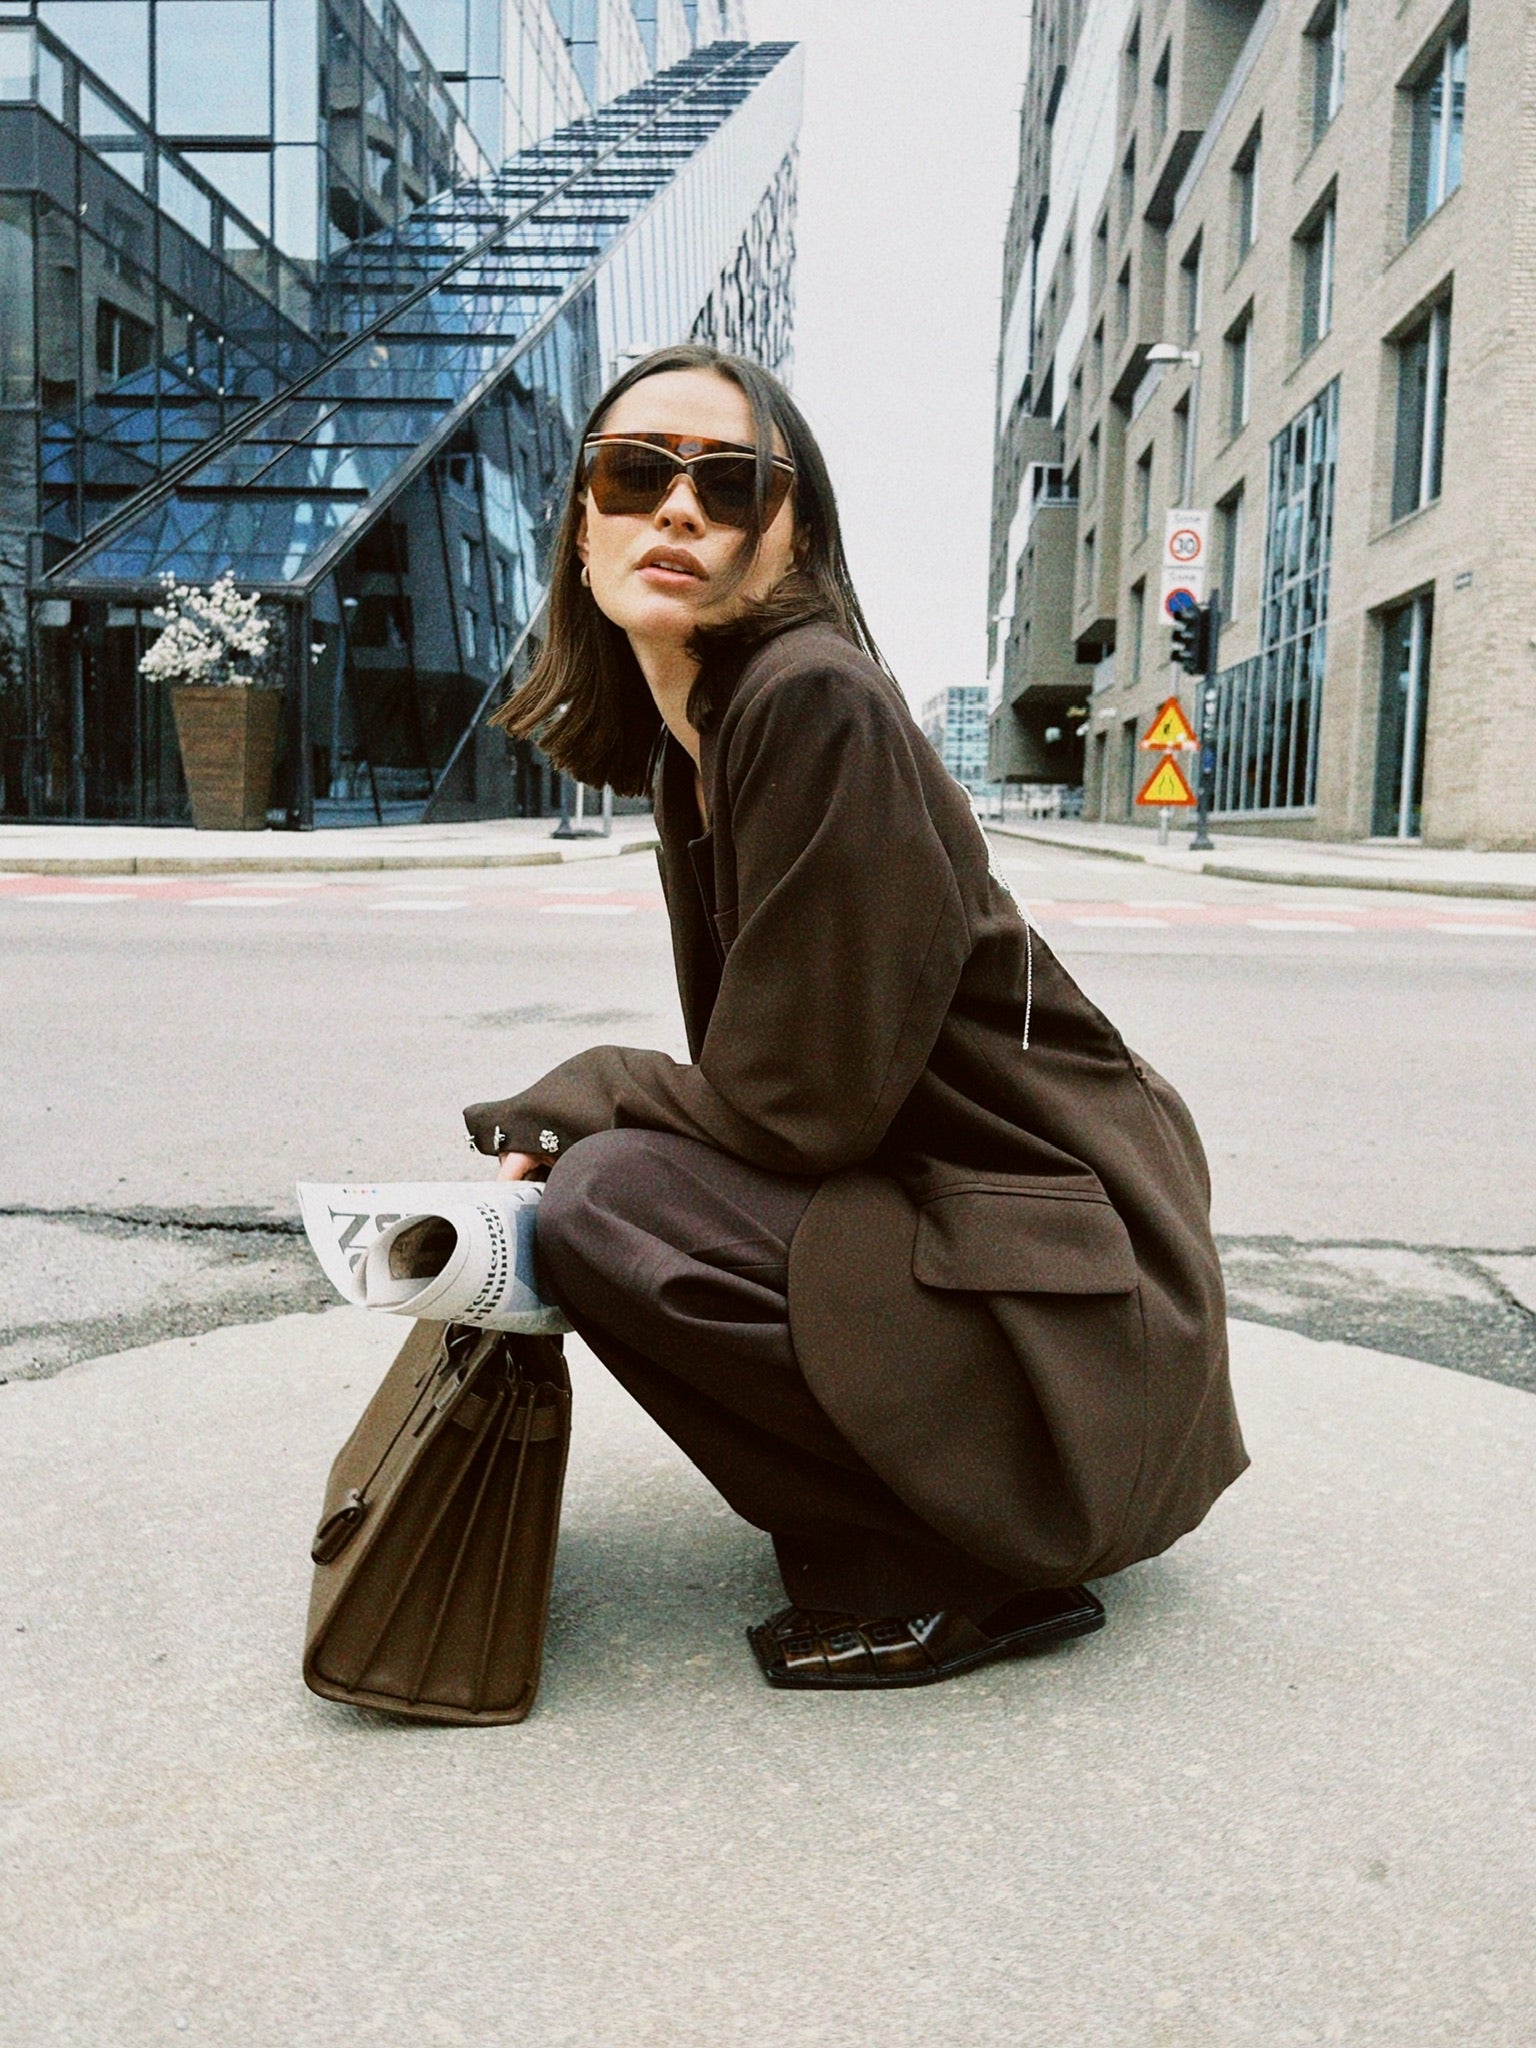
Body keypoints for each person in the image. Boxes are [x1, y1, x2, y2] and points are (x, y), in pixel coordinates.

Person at [466, 342, 1247, 1692]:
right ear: (582, 517)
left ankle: (983, 1566)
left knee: (610, 1200)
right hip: (1028, 1276)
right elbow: (796, 1096)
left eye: (732, 485)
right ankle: (914, 1508)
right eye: (637, 472)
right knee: (622, 1194)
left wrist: (582, 1089)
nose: (679, 510)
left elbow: (796, 1107)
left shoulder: (809, 696)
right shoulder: (699, 746)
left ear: (794, 537)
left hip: (1088, 1338)